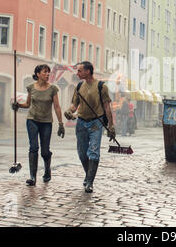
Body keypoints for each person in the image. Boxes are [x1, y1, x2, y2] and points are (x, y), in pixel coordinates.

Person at [64, 61, 115, 193]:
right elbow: (74, 105)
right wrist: (70, 111)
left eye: (80, 70)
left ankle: (90, 182)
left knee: (93, 152)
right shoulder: (79, 85)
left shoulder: (101, 86)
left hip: (95, 123)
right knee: (82, 154)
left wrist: (111, 125)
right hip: (81, 122)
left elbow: (106, 107)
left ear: (88, 71)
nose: (77, 73)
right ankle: (89, 175)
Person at [12, 64, 65, 186]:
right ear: (37, 74)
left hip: (46, 122)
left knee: (45, 151)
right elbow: (27, 104)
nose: (47, 74)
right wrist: (18, 105)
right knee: (34, 147)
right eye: (45, 72)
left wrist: (61, 123)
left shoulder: (53, 89)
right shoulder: (31, 87)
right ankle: (33, 177)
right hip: (32, 120)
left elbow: (56, 107)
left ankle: (47, 170)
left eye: (48, 72)